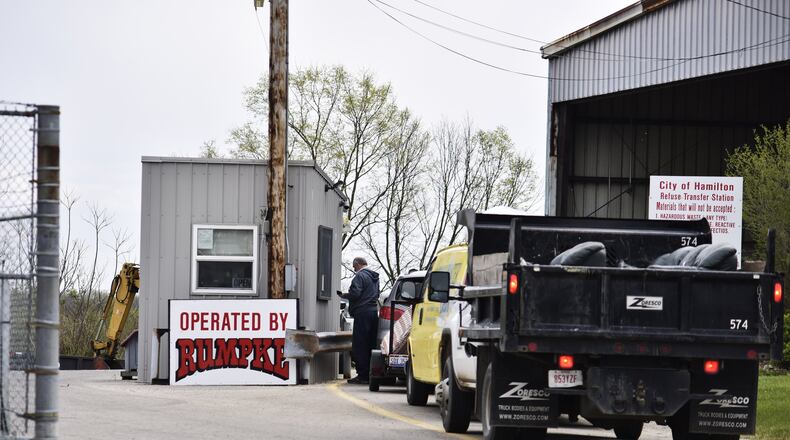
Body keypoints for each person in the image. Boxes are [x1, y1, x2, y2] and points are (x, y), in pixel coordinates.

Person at [338, 257, 380, 384]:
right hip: (373, 312)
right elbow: (376, 294)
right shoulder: (375, 278)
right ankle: (371, 373)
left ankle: (362, 375)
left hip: (362, 312)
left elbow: (356, 293)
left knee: (360, 344)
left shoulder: (359, 277)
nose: (353, 268)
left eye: (354, 266)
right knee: (371, 344)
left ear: (358, 264)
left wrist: (344, 295)